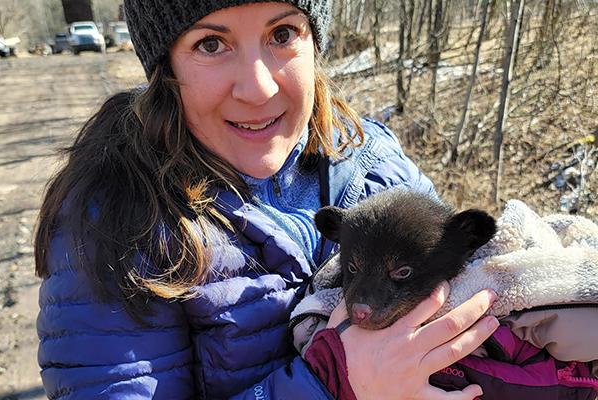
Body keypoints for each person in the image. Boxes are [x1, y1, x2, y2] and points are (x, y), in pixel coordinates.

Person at [34, 1, 499, 399]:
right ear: (165, 67)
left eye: (282, 33)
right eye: (210, 44)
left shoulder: (375, 164)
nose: (258, 88)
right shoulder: (119, 221)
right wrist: (331, 384)